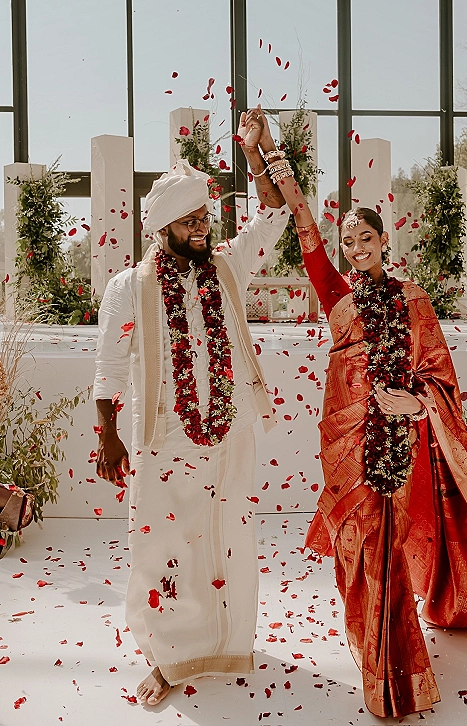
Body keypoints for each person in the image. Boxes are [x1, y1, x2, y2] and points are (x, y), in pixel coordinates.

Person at [253, 110, 467, 718]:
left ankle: (396, 677)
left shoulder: (414, 301)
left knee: (385, 549)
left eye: (366, 241)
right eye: (349, 245)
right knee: (357, 552)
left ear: (385, 242)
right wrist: (267, 149)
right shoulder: (336, 297)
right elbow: (304, 221)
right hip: (344, 441)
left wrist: (416, 403)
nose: (356, 251)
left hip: (395, 442)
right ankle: (375, 656)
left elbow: (441, 375)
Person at [93, 109, 288, 705]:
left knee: (227, 535)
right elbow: (108, 363)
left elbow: (274, 216)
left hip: (229, 431)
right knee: (164, 547)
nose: (203, 226)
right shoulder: (131, 285)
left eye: (206, 216)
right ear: (163, 229)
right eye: (191, 220)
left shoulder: (225, 266)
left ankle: (224, 642)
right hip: (165, 436)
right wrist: (108, 435)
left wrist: (262, 151)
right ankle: (168, 658)